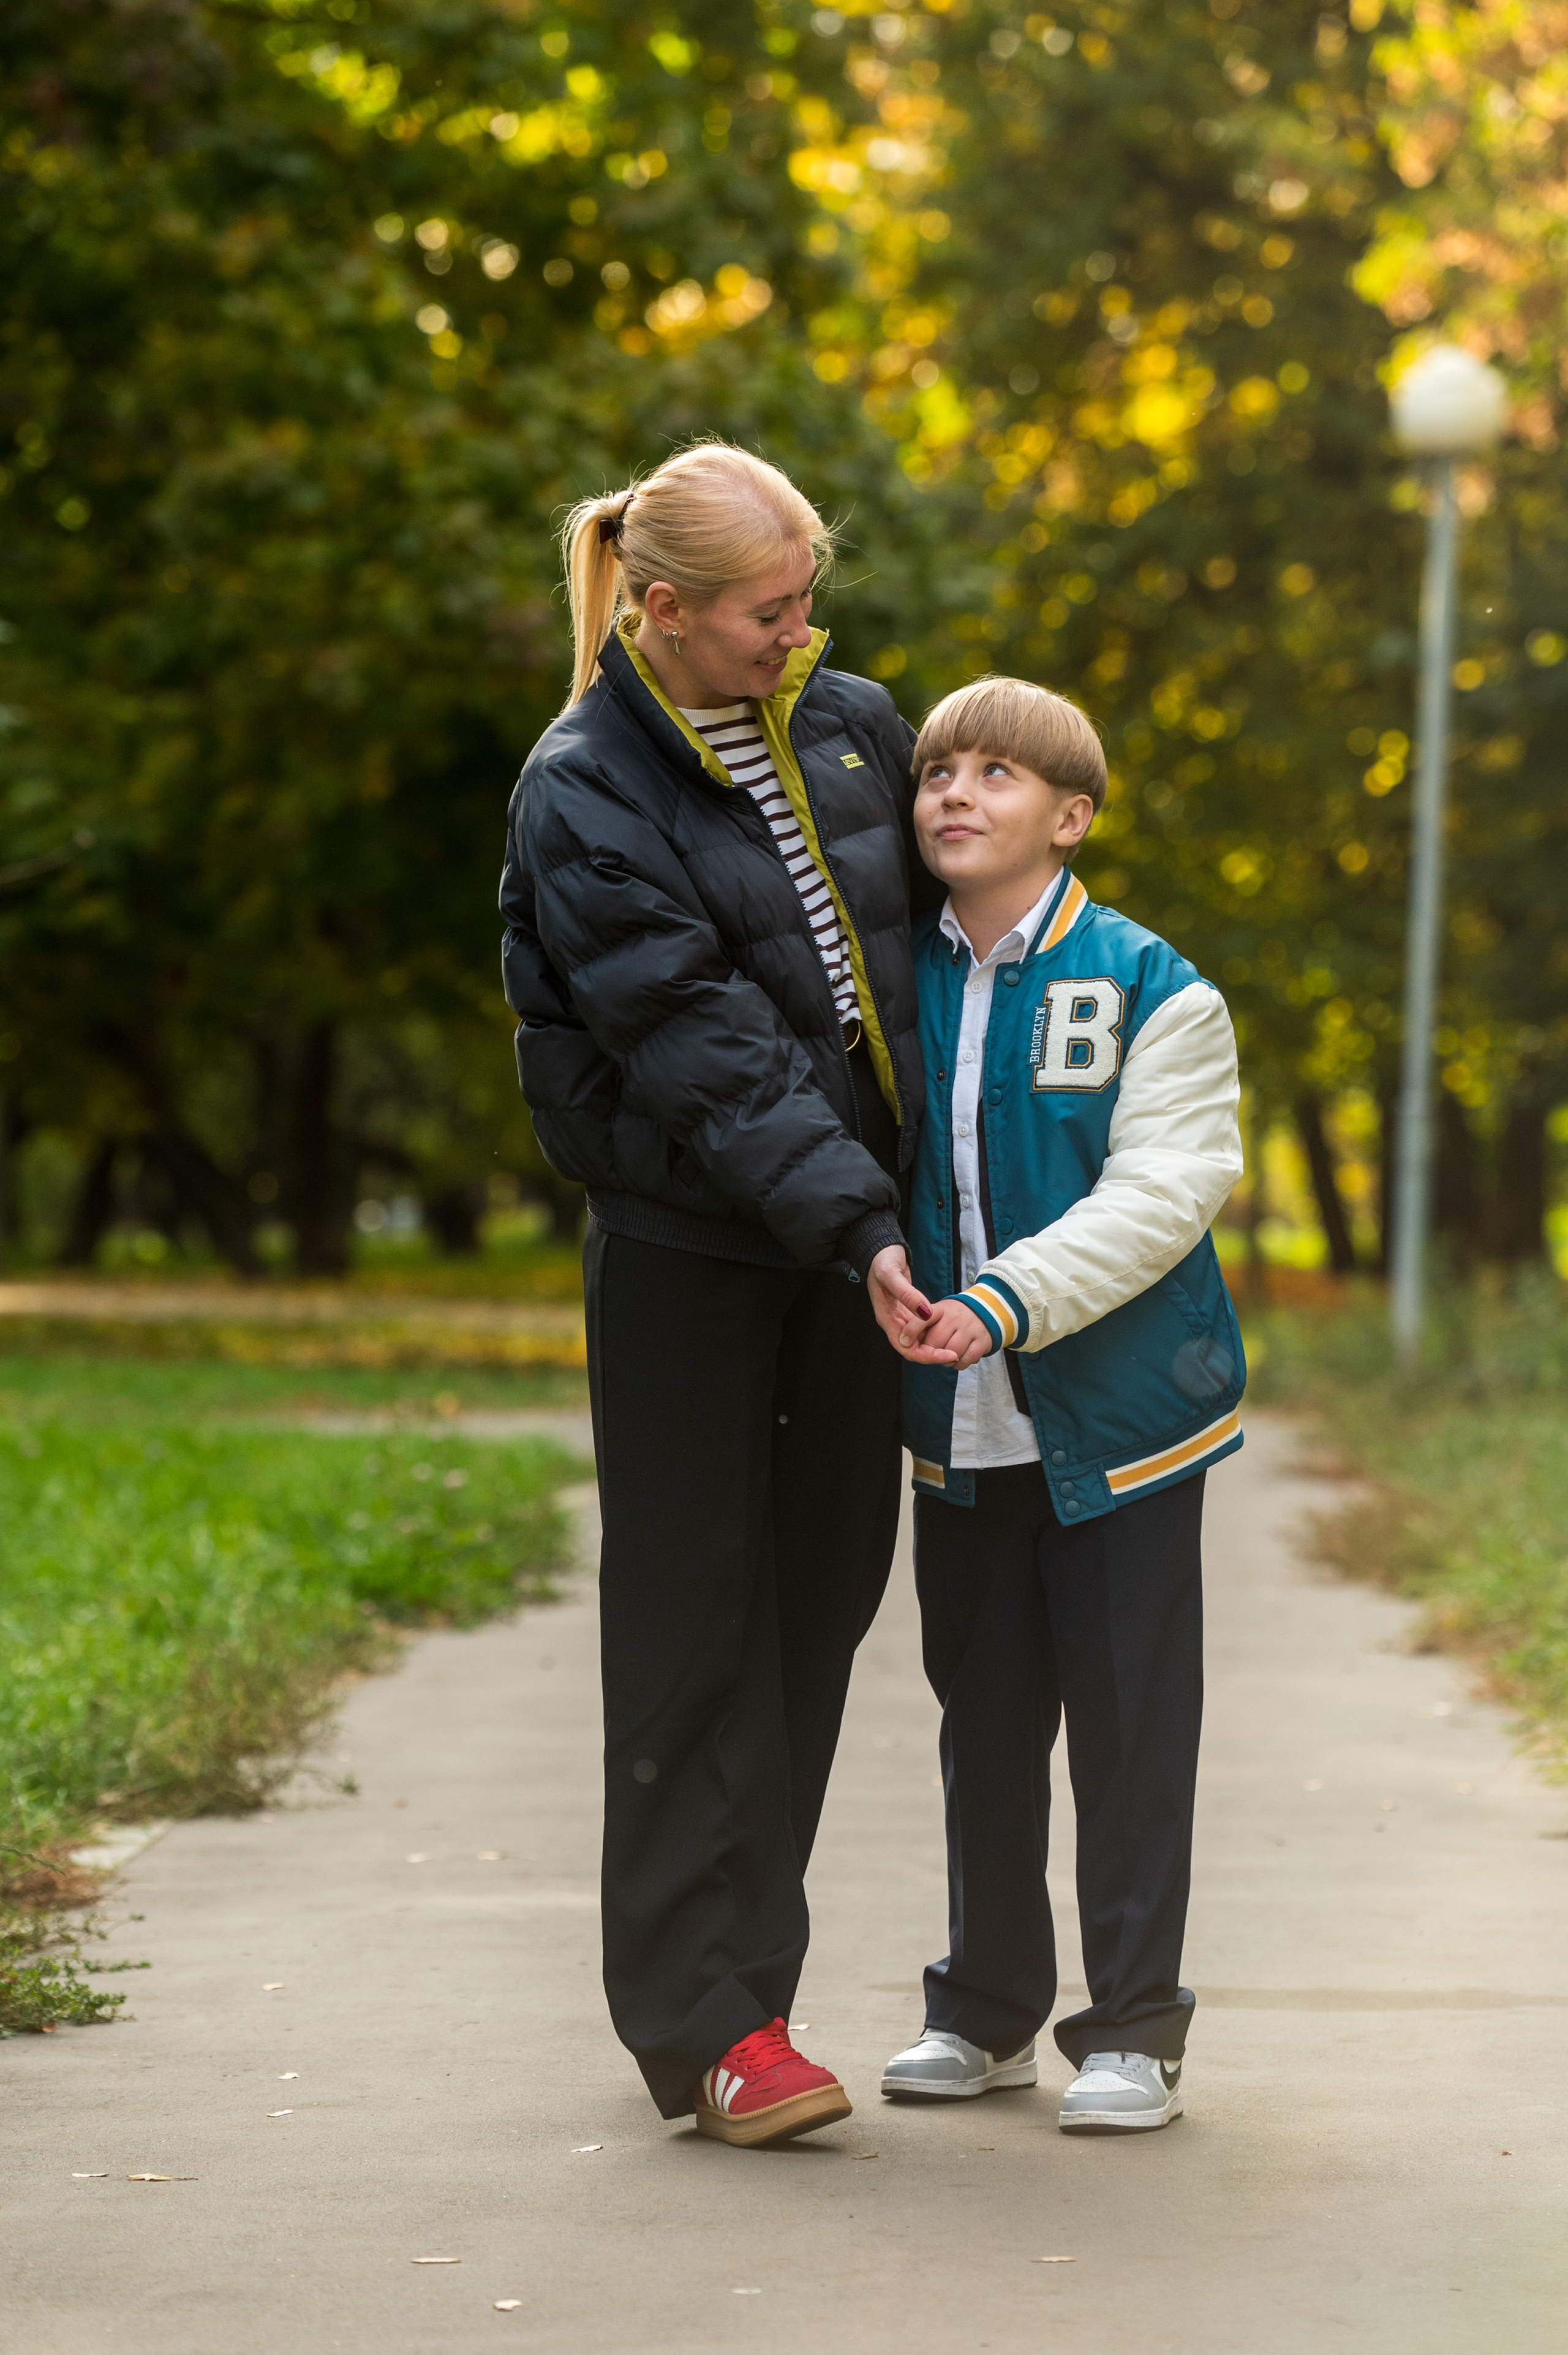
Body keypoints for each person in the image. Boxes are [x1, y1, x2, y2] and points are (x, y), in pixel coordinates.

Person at [500, 442, 935, 2147]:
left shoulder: (850, 726)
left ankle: (753, 1989)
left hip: (852, 1251)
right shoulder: (585, 783)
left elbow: (941, 967)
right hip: (695, 1257)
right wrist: (868, 1223)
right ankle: (702, 2022)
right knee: (693, 1634)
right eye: (768, 609)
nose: (798, 630)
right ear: (661, 607)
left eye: (807, 597)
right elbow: (707, 1047)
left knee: (816, 1613)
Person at [878, 675, 1245, 2133]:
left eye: (994, 775)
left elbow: (1163, 1191)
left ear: (1069, 814)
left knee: (1129, 1724)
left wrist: (1001, 1301)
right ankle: (980, 2007)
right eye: (934, 773)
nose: (953, 794)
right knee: (981, 1718)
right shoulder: (887, 979)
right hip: (956, 1429)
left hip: (1125, 1422)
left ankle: (1133, 2027)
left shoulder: (1155, 986)